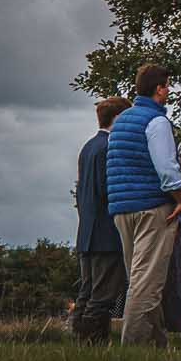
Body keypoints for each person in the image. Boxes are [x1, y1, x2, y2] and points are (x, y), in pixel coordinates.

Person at [105, 63, 181, 347]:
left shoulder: (121, 122)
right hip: (151, 208)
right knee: (147, 284)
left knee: (140, 277)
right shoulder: (156, 121)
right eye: (167, 86)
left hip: (122, 208)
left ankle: (157, 346)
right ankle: (133, 347)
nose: (168, 91)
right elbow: (167, 171)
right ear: (159, 89)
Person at [72, 96, 131, 343]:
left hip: (87, 231)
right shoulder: (109, 148)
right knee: (103, 294)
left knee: (87, 292)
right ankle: (94, 342)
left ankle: (79, 338)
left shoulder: (88, 147)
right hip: (105, 232)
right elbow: (108, 189)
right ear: (117, 118)